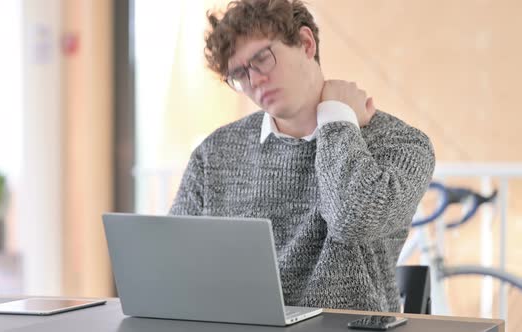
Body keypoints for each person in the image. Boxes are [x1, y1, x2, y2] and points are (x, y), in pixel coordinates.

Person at [170, 0, 435, 312]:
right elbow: (175, 262)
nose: (254, 81)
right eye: (239, 74)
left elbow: (353, 220)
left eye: (262, 59)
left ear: (306, 43)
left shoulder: (400, 143)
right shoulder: (215, 152)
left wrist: (337, 119)